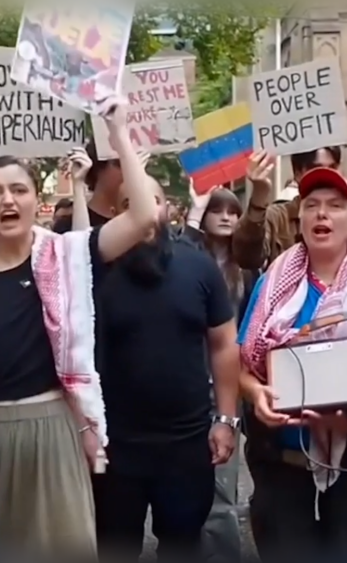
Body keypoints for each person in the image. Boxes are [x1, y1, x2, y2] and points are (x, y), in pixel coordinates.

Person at [0, 100, 158, 556]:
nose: (7, 200)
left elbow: (142, 217)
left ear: (35, 199)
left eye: (18, 190)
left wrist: (118, 133)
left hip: (56, 430)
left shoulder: (70, 255)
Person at [238, 167, 347, 563]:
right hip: (281, 467)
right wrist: (257, 395)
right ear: (299, 220)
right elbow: (242, 368)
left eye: (335, 206)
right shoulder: (270, 289)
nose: (322, 213)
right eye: (312, 205)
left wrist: (345, 425)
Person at [92, 179, 240, 561]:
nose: (143, 212)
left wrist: (226, 419)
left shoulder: (199, 267)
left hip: (187, 444)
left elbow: (225, 345)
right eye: (130, 203)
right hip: (115, 446)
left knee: (183, 547)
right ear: (116, 215)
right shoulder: (94, 273)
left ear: (168, 209)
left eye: (152, 201)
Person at [181, 187, 258, 562]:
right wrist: (194, 213)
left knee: (223, 485)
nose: (226, 217)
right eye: (218, 210)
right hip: (186, 380)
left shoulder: (246, 268)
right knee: (182, 483)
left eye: (233, 211)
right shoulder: (187, 260)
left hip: (229, 384)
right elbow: (175, 253)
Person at [232, 146, 345, 269]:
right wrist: (259, 193)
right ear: (298, 174)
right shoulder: (278, 217)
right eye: (317, 169)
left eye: (333, 168)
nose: (327, 175)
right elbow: (247, 258)